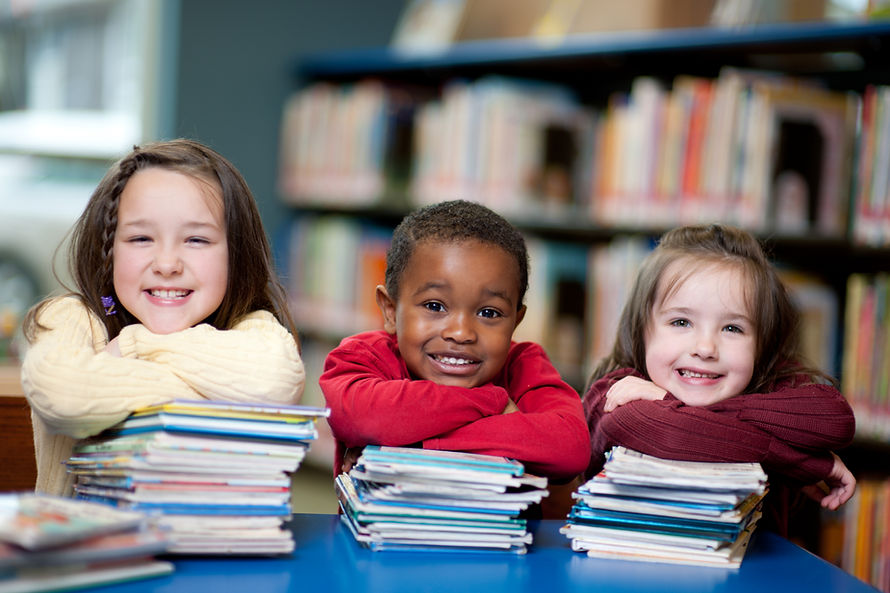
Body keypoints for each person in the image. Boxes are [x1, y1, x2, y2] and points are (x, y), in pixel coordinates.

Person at [21, 139, 305, 497]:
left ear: (236, 254)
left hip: (212, 546)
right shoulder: (72, 317)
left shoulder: (252, 328)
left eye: (197, 240)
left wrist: (134, 344)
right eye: (141, 238)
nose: (167, 264)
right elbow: (61, 394)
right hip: (85, 551)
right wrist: (210, 396)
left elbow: (276, 381)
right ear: (108, 251)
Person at [582, 223, 856, 535]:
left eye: (732, 328)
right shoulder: (615, 391)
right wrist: (798, 462)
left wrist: (666, 401)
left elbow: (835, 420)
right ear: (641, 330)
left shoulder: (763, 379)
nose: (705, 348)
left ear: (762, 344)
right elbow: (672, 435)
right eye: (681, 321)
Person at [319, 200, 591, 501]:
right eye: (435, 306)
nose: (461, 333)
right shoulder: (364, 355)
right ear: (390, 310)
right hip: (383, 545)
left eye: (489, 313)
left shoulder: (523, 364)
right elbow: (357, 417)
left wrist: (406, 443)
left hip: (497, 544)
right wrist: (491, 402)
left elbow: (571, 447)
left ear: (516, 320)